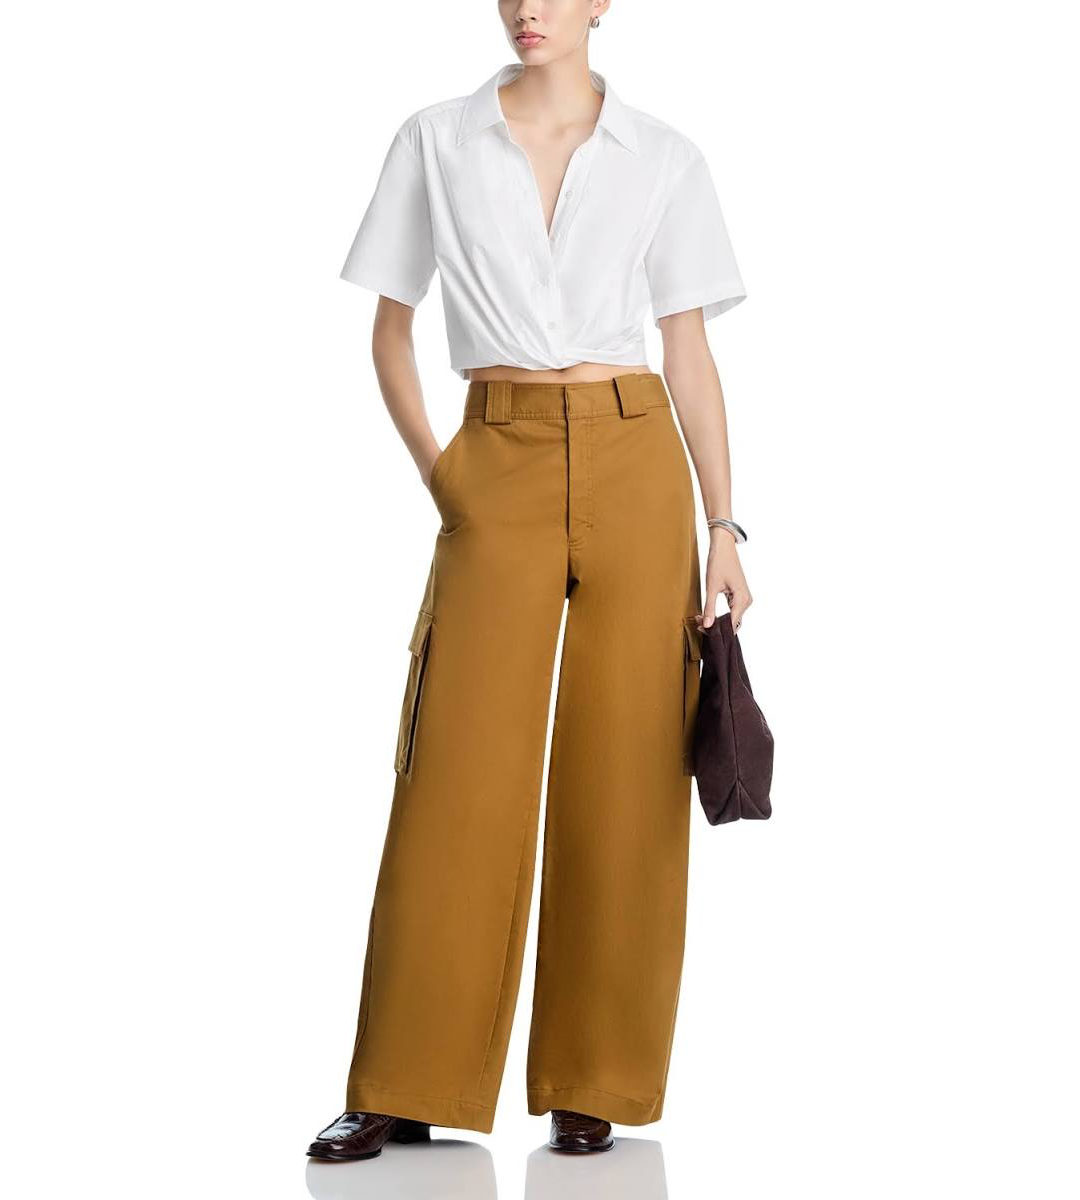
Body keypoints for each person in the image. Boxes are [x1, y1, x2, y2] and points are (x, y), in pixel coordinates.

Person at [307, 0, 752, 1163]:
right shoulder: (434, 139)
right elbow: (390, 330)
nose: (526, 7)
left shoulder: (665, 156)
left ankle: (593, 1077)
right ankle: (402, 1079)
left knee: (627, 769)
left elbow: (688, 349)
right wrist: (441, 470)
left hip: (635, 453)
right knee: (453, 767)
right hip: (492, 454)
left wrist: (723, 524)